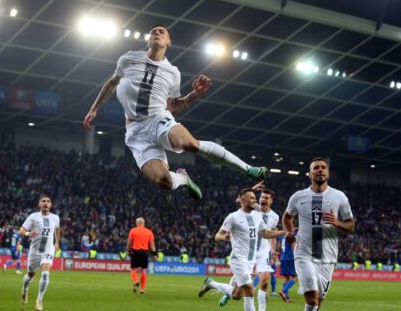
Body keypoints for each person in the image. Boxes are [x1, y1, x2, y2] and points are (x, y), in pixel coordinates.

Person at [83, 24, 269, 200]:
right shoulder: (129, 59)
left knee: (190, 144)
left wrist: (194, 94)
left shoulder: (172, 72)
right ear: (148, 40)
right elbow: (112, 83)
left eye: (161, 32)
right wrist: (94, 109)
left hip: (158, 119)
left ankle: (247, 168)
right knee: (164, 181)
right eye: (153, 31)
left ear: (168, 42)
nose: (156, 33)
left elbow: (173, 107)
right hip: (135, 133)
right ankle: (184, 179)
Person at [282, 157, 355, 311]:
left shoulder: (339, 196)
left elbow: (351, 225)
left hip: (327, 257)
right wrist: (290, 232)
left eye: (323, 167)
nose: (320, 170)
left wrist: (337, 222)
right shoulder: (298, 196)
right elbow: (287, 216)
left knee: (317, 304)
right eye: (316, 168)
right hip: (304, 253)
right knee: (312, 300)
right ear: (310, 174)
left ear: (328, 173)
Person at [198, 188, 286, 311]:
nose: (255, 200)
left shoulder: (257, 216)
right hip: (238, 259)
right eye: (251, 198)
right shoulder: (233, 217)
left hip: (251, 260)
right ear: (242, 200)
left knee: (237, 295)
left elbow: (265, 233)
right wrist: (225, 237)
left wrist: (284, 232)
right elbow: (217, 236)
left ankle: (211, 284)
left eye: (255, 198)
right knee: (250, 289)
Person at [19, 196, 60, 311]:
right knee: (30, 275)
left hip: (48, 250)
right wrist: (28, 234)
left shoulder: (55, 218)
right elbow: (21, 230)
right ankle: (25, 289)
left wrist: (57, 242)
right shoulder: (33, 217)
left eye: (48, 201)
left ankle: (39, 299)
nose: (45, 203)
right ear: (39, 204)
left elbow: (57, 229)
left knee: (46, 273)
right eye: (43, 201)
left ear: (51, 205)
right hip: (35, 251)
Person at [252, 189, 280, 311]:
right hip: (248, 250)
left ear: (271, 201)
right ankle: (219, 287)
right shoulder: (253, 208)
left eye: (266, 198)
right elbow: (240, 199)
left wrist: (273, 251)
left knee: (264, 281)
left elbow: (272, 236)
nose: (263, 199)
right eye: (262, 197)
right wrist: (252, 190)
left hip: (263, 252)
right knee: (237, 290)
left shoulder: (275, 217)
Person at [127, 217, 156, 294]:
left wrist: (129, 251)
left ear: (137, 223)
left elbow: (129, 242)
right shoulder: (149, 232)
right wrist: (154, 254)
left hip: (135, 251)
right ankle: (142, 290)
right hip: (145, 252)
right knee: (143, 270)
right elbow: (152, 244)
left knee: (133, 269)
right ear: (143, 223)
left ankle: (136, 281)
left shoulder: (133, 230)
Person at [277, 235, 297, 302]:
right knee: (296, 277)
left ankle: (287, 297)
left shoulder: (281, 236)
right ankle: (283, 291)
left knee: (286, 278)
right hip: (290, 259)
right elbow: (294, 248)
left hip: (283, 258)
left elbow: (279, 248)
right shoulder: (292, 235)